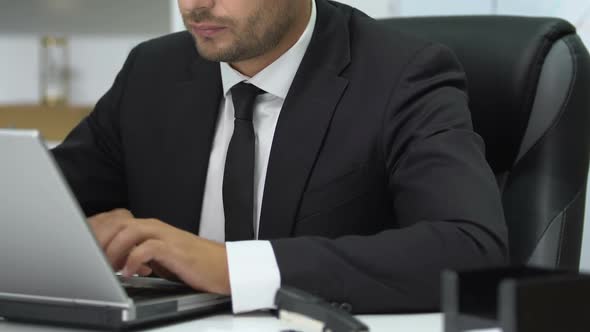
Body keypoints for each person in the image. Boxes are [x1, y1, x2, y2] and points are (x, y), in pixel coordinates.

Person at [52, 0, 508, 314]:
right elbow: (42, 207)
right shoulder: (151, 72)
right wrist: (75, 237)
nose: (196, 5)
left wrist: (230, 268)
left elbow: (471, 249)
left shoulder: (403, 75)